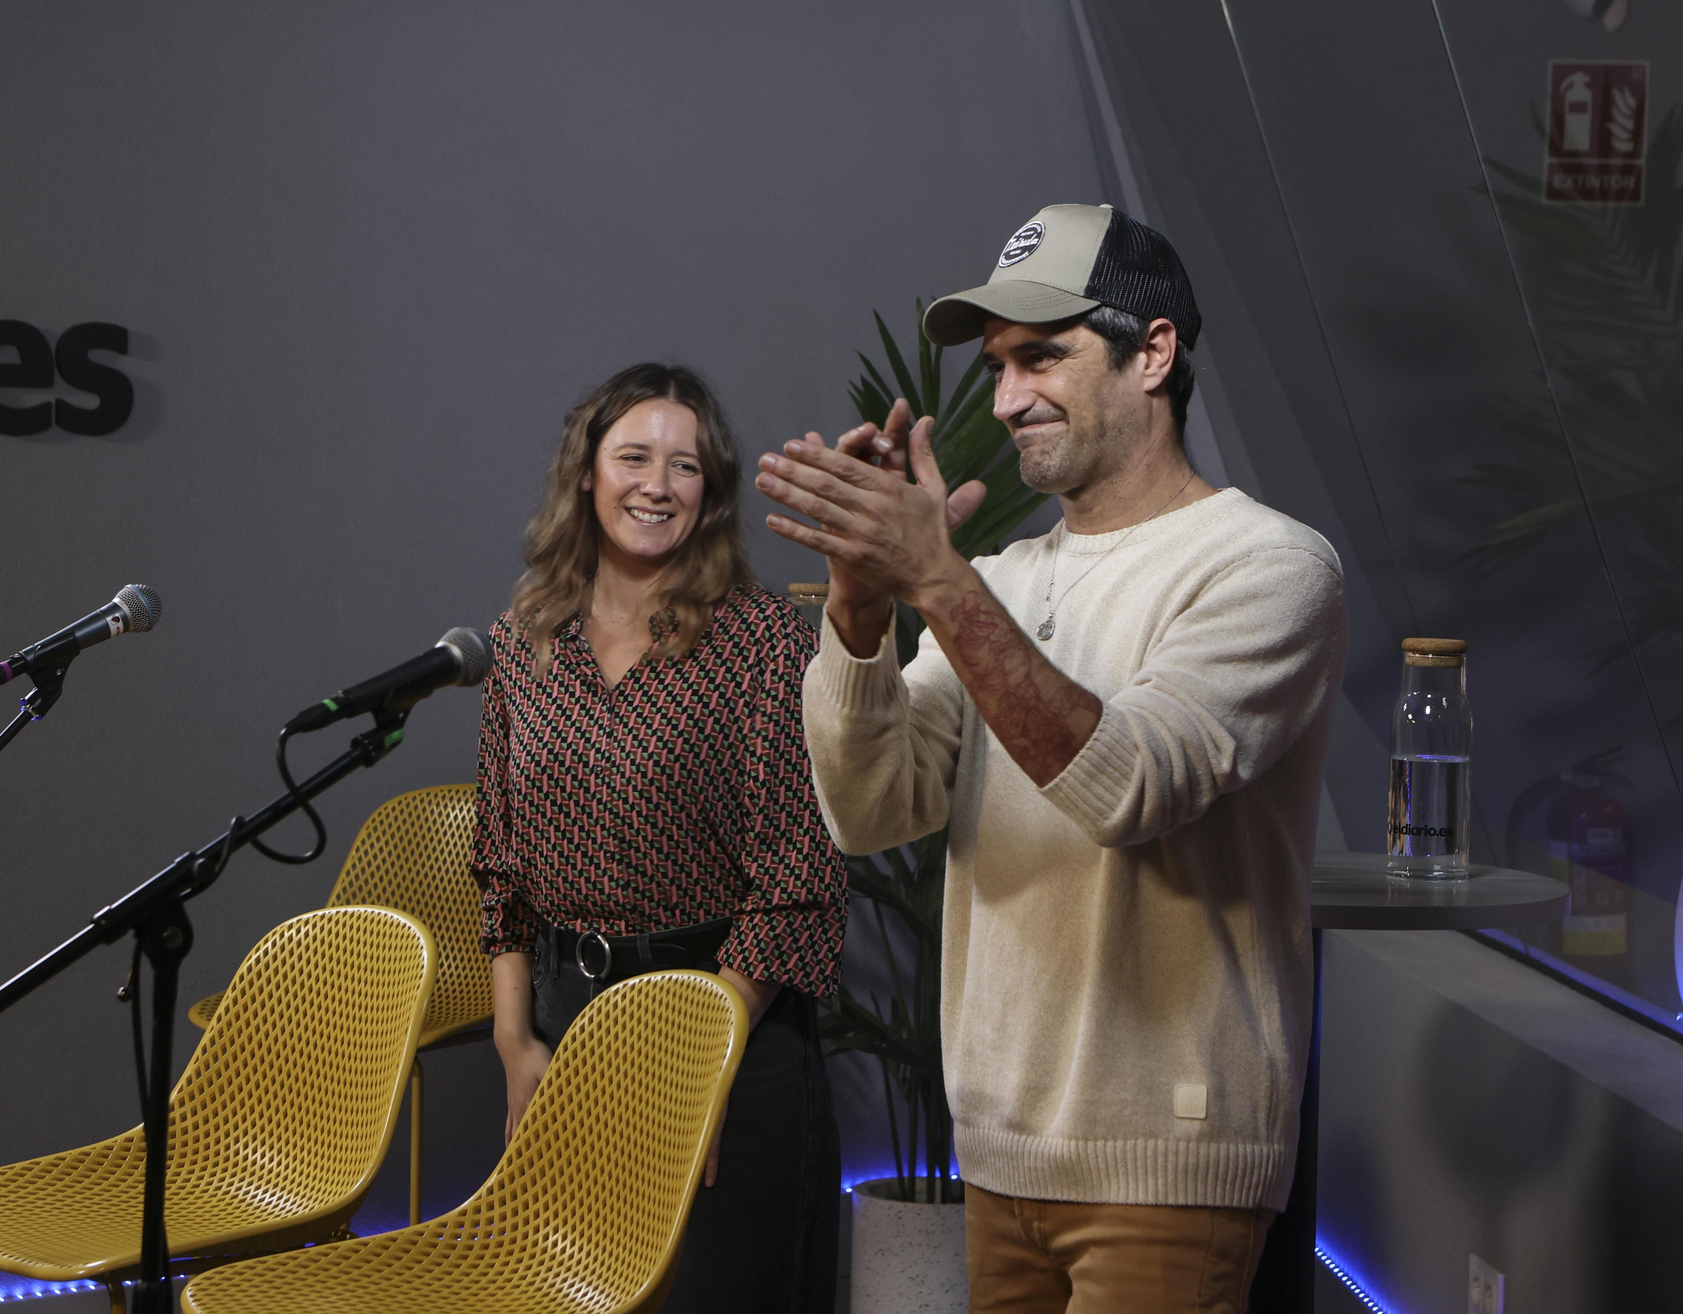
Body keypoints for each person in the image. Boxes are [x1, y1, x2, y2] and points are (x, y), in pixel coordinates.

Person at [756, 204, 1347, 1312]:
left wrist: (937, 580)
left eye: (1043, 356)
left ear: (1154, 353)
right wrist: (859, 609)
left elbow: (1125, 785)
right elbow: (872, 806)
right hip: (1002, 1154)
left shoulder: (1267, 566)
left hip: (1164, 1166)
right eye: (995, 365)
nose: (1008, 396)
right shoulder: (1010, 579)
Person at [469, 362, 846, 1313]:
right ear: (586, 475)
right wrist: (516, 1041)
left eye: (684, 466)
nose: (656, 484)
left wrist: (691, 1054)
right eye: (632, 456)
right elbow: (499, 867)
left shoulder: (761, 640)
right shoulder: (521, 641)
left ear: (710, 491)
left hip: (722, 1021)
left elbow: (797, 877)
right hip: (564, 1027)